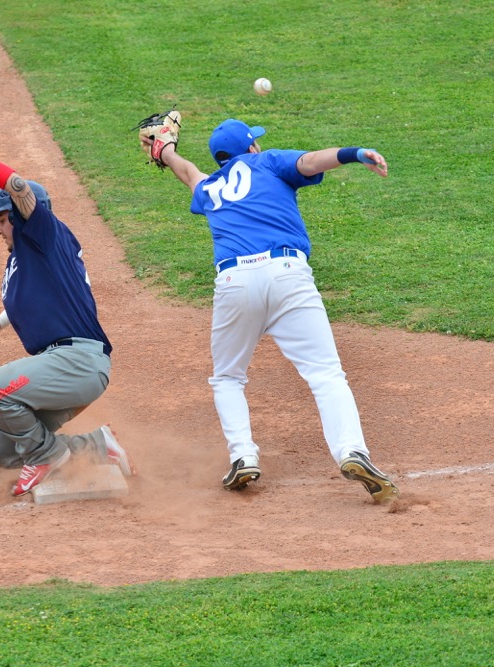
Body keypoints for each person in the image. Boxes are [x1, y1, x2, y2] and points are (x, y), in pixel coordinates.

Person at [142, 117, 399, 506]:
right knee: (326, 374)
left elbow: (188, 173)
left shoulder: (211, 187)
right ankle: (351, 452)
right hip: (287, 275)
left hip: (235, 284)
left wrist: (166, 150)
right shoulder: (268, 162)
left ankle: (243, 456)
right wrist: (355, 154)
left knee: (228, 377)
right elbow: (312, 161)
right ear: (252, 148)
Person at [0, 123, 133, 496]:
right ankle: (96, 445)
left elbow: (17, 185)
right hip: (64, 369)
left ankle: (48, 455)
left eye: (4, 219)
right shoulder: (29, 260)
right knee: (3, 450)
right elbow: (36, 300)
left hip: (78, 364)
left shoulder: (43, 232)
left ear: (25, 216)